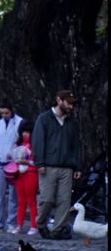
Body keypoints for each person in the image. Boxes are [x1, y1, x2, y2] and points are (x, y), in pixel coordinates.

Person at [33, 90, 82, 240]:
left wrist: (77, 166)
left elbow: (75, 146)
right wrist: (39, 162)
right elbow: (38, 141)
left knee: (64, 200)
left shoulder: (71, 123)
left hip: (66, 167)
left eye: (72, 104)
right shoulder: (44, 119)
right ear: (58, 100)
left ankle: (57, 230)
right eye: (68, 103)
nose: (70, 106)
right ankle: (41, 224)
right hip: (48, 166)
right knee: (46, 199)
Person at [0, 101, 24, 234]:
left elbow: (22, 141)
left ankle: (11, 223)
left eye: (6, 113)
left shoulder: (19, 123)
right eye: (2, 113)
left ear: (12, 110)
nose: (4, 115)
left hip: (14, 162)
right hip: (0, 162)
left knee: (13, 194)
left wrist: (15, 153)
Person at [10, 119, 39, 235]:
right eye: (23, 132)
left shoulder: (35, 146)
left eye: (27, 132)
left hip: (31, 173)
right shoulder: (19, 145)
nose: (25, 134)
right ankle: (19, 225)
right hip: (19, 174)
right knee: (21, 201)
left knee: (31, 201)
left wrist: (27, 163)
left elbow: (37, 162)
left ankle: (33, 226)